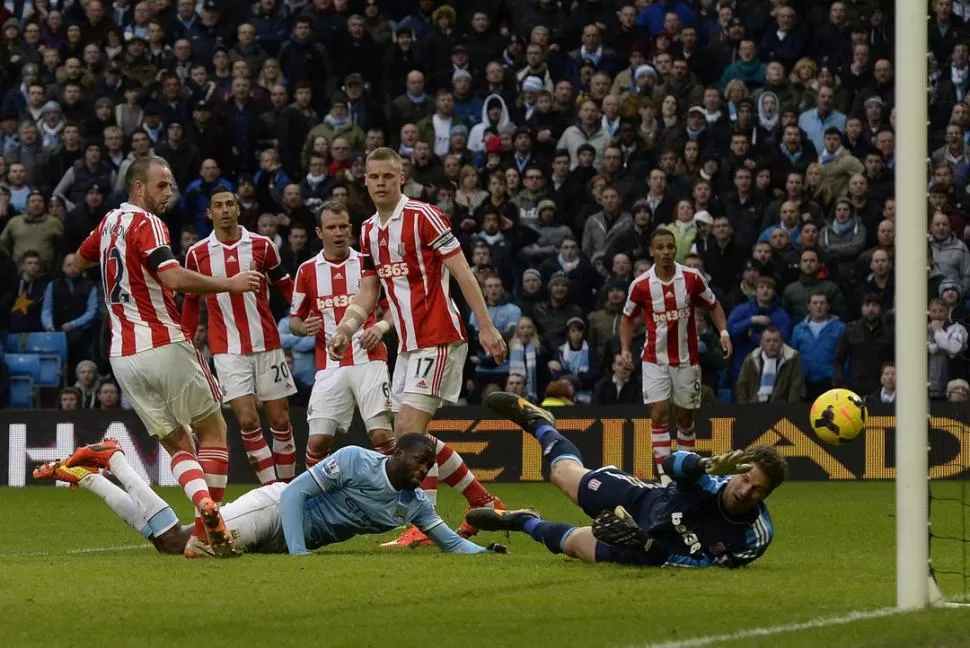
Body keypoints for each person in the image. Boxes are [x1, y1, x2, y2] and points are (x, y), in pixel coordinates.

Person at [74, 156, 262, 556]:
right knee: (212, 430)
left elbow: (81, 257)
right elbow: (173, 277)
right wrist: (230, 284)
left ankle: (203, 515)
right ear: (138, 187)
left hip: (123, 357)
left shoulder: (109, 222)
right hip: (162, 342)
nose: (169, 192)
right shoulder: (148, 223)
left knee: (178, 443)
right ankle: (209, 531)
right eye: (162, 185)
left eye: (172, 185)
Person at [327, 147, 508, 547]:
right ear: (365, 180)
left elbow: (462, 271)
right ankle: (483, 500)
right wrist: (346, 327)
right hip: (408, 345)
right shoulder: (370, 230)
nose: (380, 183)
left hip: (439, 336)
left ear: (402, 176)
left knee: (408, 432)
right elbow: (370, 288)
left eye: (387, 177)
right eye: (373, 177)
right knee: (407, 436)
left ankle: (422, 527)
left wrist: (487, 326)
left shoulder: (423, 216)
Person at [33, 435, 507, 558]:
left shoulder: (416, 504)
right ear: (396, 453)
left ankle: (103, 467)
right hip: (275, 509)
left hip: (281, 541)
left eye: (429, 469)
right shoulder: (358, 460)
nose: (424, 473)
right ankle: (108, 464)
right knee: (190, 547)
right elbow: (299, 490)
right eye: (420, 464)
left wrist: (486, 552)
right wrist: (300, 552)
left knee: (170, 543)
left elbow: (450, 541)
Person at [467, 393, 785, 568]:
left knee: (576, 544)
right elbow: (672, 463)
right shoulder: (711, 479)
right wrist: (703, 464)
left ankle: (523, 522)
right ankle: (540, 422)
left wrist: (650, 547)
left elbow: (707, 567)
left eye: (757, 489)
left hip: (648, 550)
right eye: (745, 479)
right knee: (561, 475)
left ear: (766, 496)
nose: (745, 490)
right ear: (736, 471)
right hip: (643, 501)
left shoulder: (755, 536)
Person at [182, 189, 298, 486]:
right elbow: (193, 300)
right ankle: (274, 494)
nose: (224, 210)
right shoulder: (197, 253)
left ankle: (288, 488)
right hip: (227, 349)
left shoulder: (262, 245)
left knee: (281, 421)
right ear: (209, 213)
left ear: (238, 209)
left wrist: (302, 311)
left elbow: (285, 284)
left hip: (267, 343)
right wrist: (186, 336)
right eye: (217, 206)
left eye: (229, 204)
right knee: (247, 420)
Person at [288, 200, 397, 466]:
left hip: (370, 360)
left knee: (382, 434)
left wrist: (380, 327)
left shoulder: (367, 263)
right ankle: (320, 499)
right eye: (331, 227)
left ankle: (395, 497)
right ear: (319, 232)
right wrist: (303, 328)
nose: (338, 233)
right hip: (330, 366)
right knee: (317, 441)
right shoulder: (307, 270)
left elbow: (395, 308)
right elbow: (294, 320)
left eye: (342, 227)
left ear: (351, 229)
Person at [618, 228, 732, 482]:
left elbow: (713, 305)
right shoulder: (641, 285)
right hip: (653, 359)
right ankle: (666, 478)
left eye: (670, 247)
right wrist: (625, 349)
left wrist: (723, 331)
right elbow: (627, 319)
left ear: (675, 249)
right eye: (660, 247)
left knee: (684, 417)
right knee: (658, 413)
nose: (666, 252)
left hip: (686, 360)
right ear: (651, 251)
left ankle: (686, 473)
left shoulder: (692, 278)